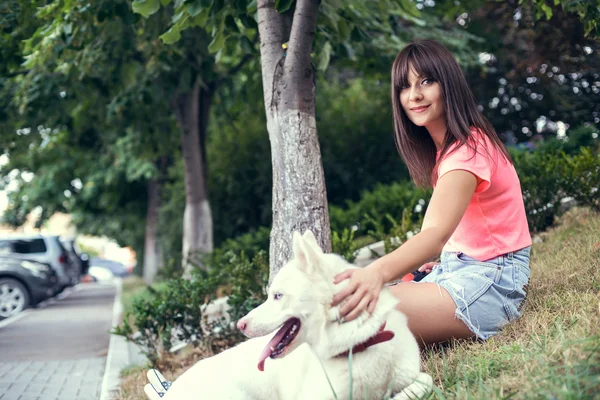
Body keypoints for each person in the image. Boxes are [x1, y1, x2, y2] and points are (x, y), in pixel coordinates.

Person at [331, 40, 532, 346]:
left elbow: (435, 234)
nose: (415, 95)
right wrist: (451, 258)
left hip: (492, 280)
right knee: (345, 313)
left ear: (447, 84)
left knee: (359, 313)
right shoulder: (451, 148)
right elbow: (468, 225)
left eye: (426, 81)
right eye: (405, 86)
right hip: (461, 269)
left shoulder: (466, 152)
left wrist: (373, 273)